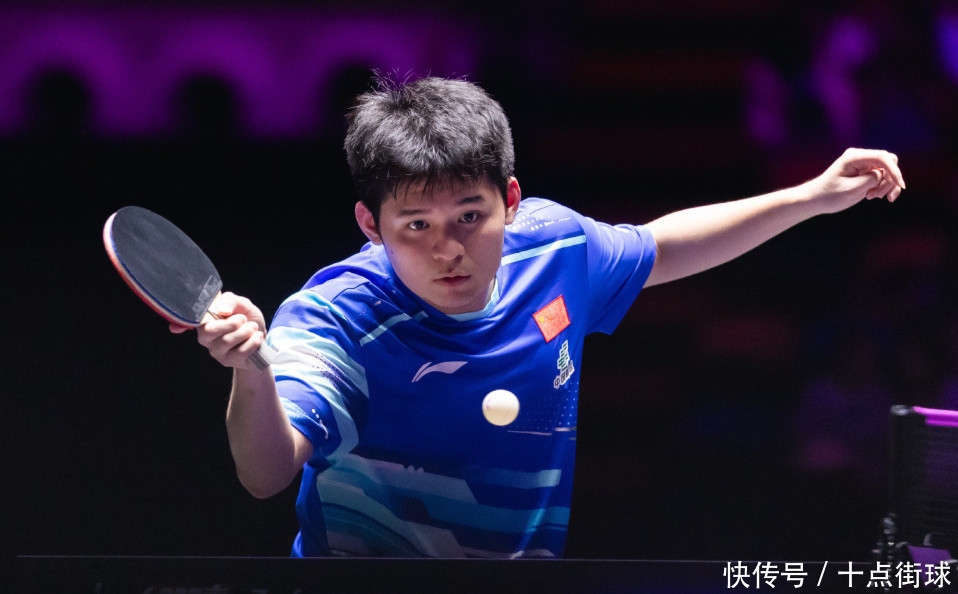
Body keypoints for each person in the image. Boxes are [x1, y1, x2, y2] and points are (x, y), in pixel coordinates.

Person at [173, 75, 904, 558]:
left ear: (511, 201)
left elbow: (662, 246)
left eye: (470, 216)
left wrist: (809, 196)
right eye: (416, 226)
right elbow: (266, 472)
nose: (448, 249)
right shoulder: (337, 318)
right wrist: (251, 369)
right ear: (371, 224)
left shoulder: (553, 248)